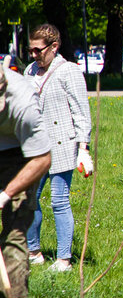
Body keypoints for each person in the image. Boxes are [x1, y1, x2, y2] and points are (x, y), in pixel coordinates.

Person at [25, 24, 93, 273]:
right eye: (30, 50)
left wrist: (83, 148)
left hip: (63, 145)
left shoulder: (69, 72)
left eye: (38, 50)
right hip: (35, 148)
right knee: (29, 199)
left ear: (54, 47)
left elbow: (81, 112)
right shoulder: (29, 71)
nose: (34, 55)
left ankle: (64, 259)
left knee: (59, 201)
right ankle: (34, 252)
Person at [0, 59, 52, 298]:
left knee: (15, 233)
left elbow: (42, 159)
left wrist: (5, 195)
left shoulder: (23, 102)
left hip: (19, 155)